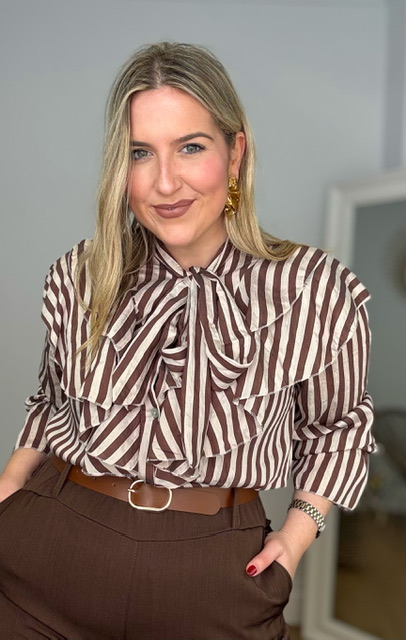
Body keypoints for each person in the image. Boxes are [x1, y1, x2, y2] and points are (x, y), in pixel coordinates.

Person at [0, 42, 375, 640]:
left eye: (191, 147)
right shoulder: (81, 273)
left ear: (235, 153)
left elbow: (338, 427)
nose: (165, 181)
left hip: (214, 572)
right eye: (140, 153)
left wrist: (297, 534)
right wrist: (10, 486)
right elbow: (51, 400)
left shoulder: (312, 287)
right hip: (48, 553)